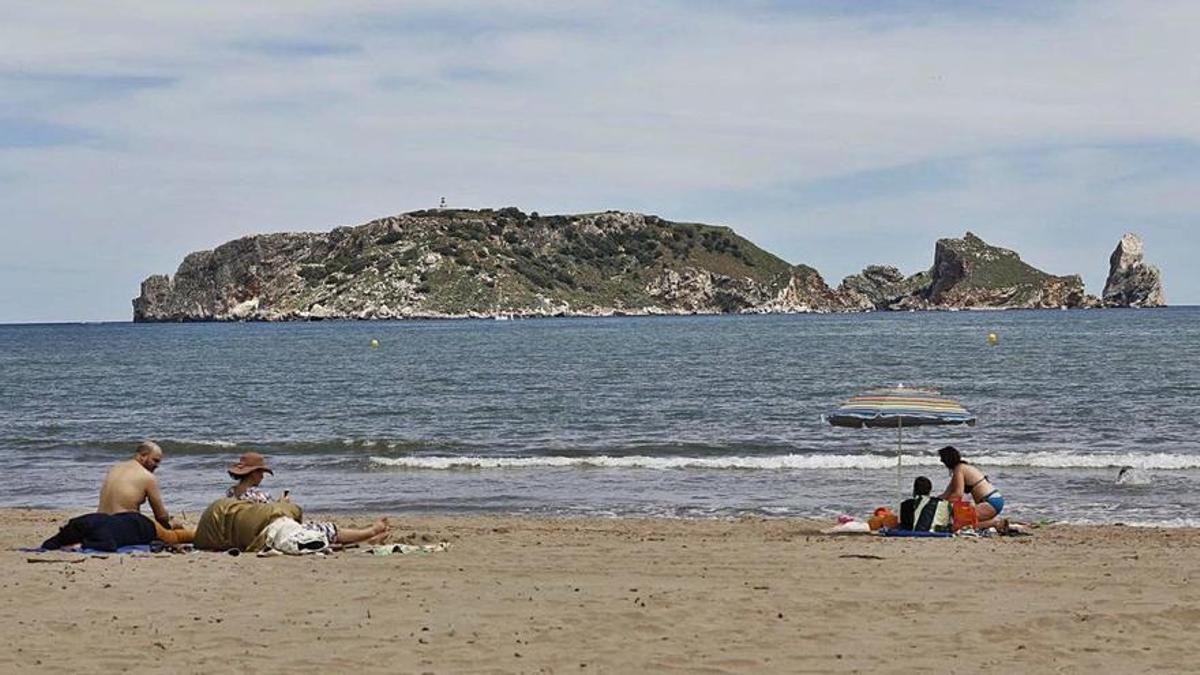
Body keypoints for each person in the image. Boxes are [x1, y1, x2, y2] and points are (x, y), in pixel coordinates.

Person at [224, 451, 389, 545]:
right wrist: (284, 504)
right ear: (253, 474)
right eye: (261, 473)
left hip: (246, 535)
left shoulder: (231, 493)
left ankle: (368, 538)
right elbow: (273, 515)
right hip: (270, 534)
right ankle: (370, 532)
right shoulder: (257, 495)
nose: (262, 477)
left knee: (318, 531)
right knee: (326, 529)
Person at [97, 441, 194, 544]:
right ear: (142, 456)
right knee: (179, 534)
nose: (157, 466)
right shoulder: (147, 477)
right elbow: (161, 516)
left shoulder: (115, 468)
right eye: (155, 460)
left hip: (99, 525)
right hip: (122, 528)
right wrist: (170, 527)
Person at [937, 445, 1007, 531]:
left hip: (990, 502)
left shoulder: (959, 469)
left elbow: (958, 494)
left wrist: (943, 506)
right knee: (960, 520)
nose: (941, 460)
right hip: (993, 499)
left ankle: (995, 523)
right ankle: (995, 523)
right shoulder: (961, 469)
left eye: (942, 458)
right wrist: (934, 501)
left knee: (961, 525)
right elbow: (946, 493)